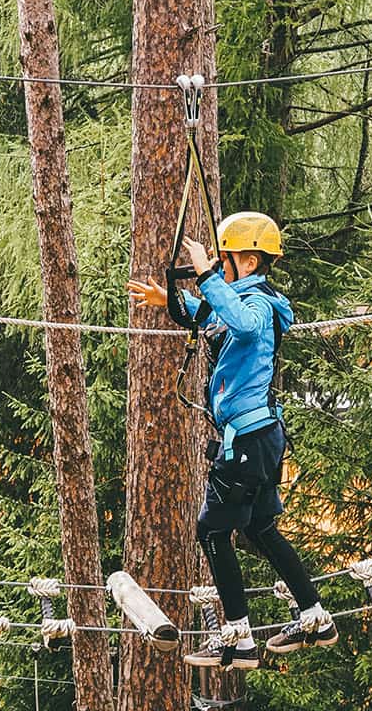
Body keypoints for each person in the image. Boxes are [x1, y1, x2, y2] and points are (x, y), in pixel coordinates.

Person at [127, 211, 335, 669]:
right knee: (259, 528)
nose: (219, 268)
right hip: (258, 438)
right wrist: (171, 299)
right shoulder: (239, 298)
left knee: (213, 531)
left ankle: (238, 635)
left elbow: (241, 322)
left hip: (248, 439)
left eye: (224, 261)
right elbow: (214, 318)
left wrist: (203, 273)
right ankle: (315, 615)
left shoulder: (258, 302)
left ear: (245, 259)